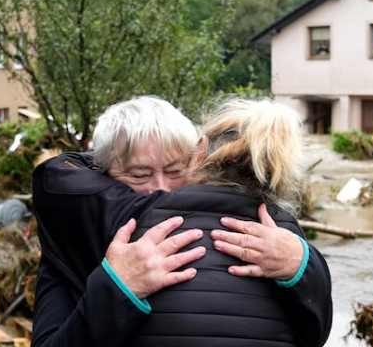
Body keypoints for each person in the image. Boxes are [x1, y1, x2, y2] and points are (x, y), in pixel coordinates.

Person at [32, 96, 332, 346]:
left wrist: (302, 264)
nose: (160, 188)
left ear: (198, 158)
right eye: (139, 175)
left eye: (175, 171)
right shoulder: (75, 233)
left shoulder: (276, 237)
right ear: (100, 176)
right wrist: (116, 289)